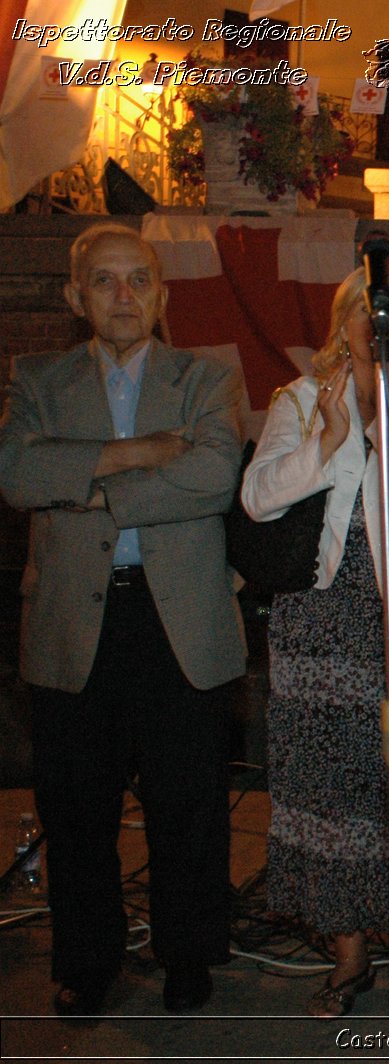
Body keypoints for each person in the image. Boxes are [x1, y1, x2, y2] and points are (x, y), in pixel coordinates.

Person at [0, 223, 246, 1015]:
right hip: (75, 629)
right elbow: (14, 473)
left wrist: (80, 478)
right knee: (76, 808)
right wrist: (140, 453)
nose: (124, 297)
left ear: (162, 293)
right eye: (104, 282)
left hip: (179, 624)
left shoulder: (206, 380)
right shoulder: (36, 378)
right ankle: (87, 960)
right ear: (76, 298)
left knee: (189, 804)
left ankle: (188, 954)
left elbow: (213, 477)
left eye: (139, 280)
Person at [240, 267, 389, 1018]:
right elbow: (256, 496)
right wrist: (330, 438)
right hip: (321, 621)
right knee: (330, 789)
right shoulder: (301, 400)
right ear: (344, 324)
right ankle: (347, 957)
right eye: (376, 315)